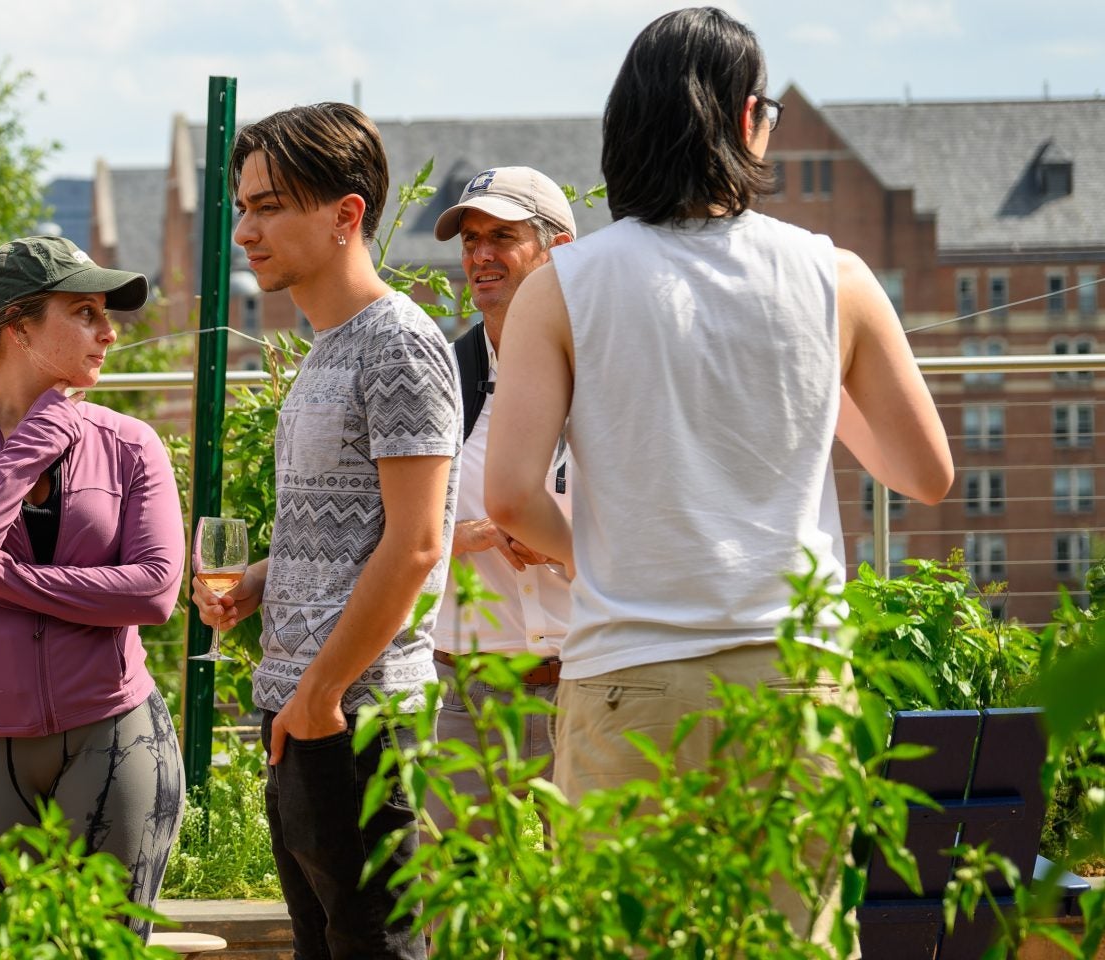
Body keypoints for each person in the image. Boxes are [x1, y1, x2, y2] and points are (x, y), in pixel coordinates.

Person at [481, 6, 949, 931]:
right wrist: (817, 379)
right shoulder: (836, 276)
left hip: (630, 676)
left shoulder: (563, 286)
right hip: (794, 678)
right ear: (744, 120)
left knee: (627, 941)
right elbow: (923, 473)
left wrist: (595, 558)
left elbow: (509, 496)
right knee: (789, 942)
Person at [192, 102, 457, 959]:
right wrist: (266, 577)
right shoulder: (327, 346)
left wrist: (320, 695)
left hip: (358, 715)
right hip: (304, 707)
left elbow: (417, 545)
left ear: (347, 214)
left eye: (269, 205)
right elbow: (357, 531)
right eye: (242, 205)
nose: (244, 230)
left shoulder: (399, 346)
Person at [0, 235, 183, 935]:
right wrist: (29, 446)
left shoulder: (133, 444)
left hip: (117, 733)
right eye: (84, 312)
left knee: (107, 949)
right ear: (17, 327)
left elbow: (154, 591)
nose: (109, 332)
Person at [421, 166, 577, 832]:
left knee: (586, 924)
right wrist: (460, 537)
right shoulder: (440, 379)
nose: (480, 255)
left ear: (559, 249)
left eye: (502, 236)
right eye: (471, 240)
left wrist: (568, 549)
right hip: (468, 701)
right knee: (464, 925)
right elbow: (382, 530)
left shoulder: (609, 375)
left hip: (587, 686)